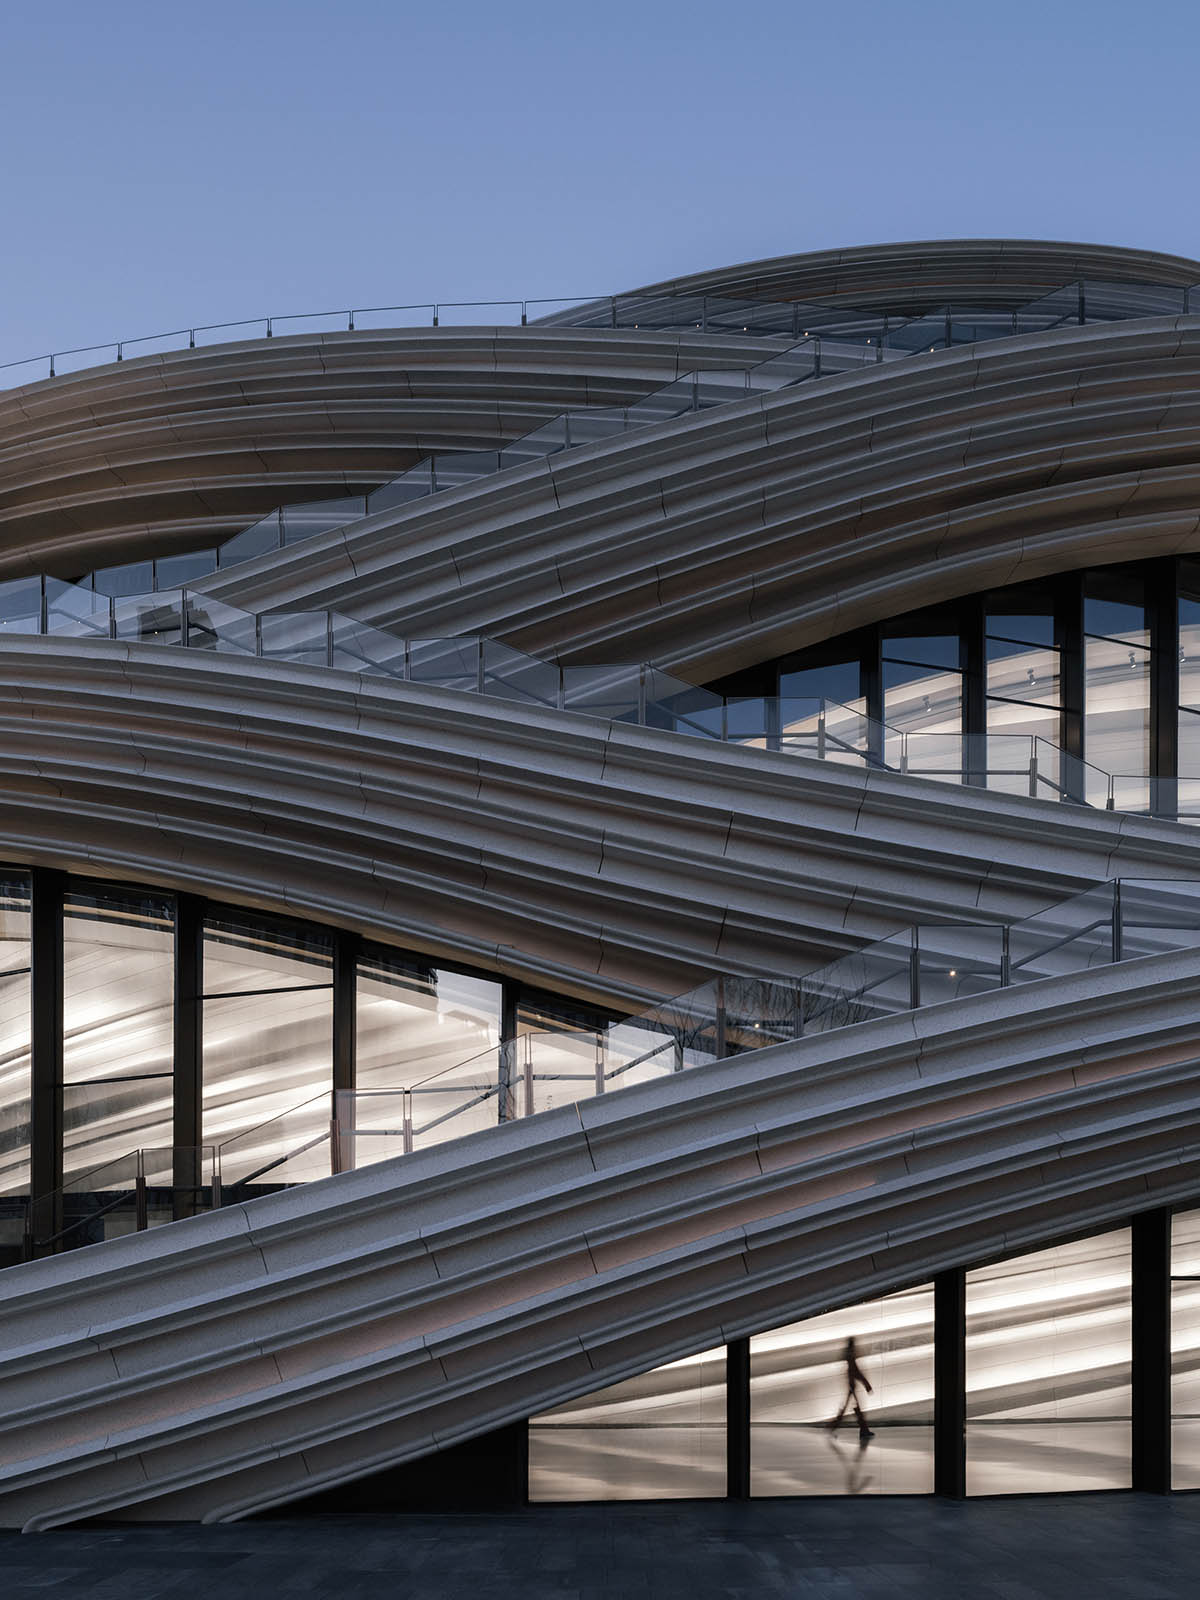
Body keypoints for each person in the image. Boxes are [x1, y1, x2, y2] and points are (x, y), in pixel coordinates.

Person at [827, 1335, 874, 1439]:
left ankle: (834, 1426)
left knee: (853, 1408)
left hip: (851, 1385)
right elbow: (856, 1372)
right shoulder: (851, 1357)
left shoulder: (849, 1356)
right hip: (852, 1386)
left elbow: (853, 1372)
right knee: (855, 1408)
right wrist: (866, 1384)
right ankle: (863, 1430)